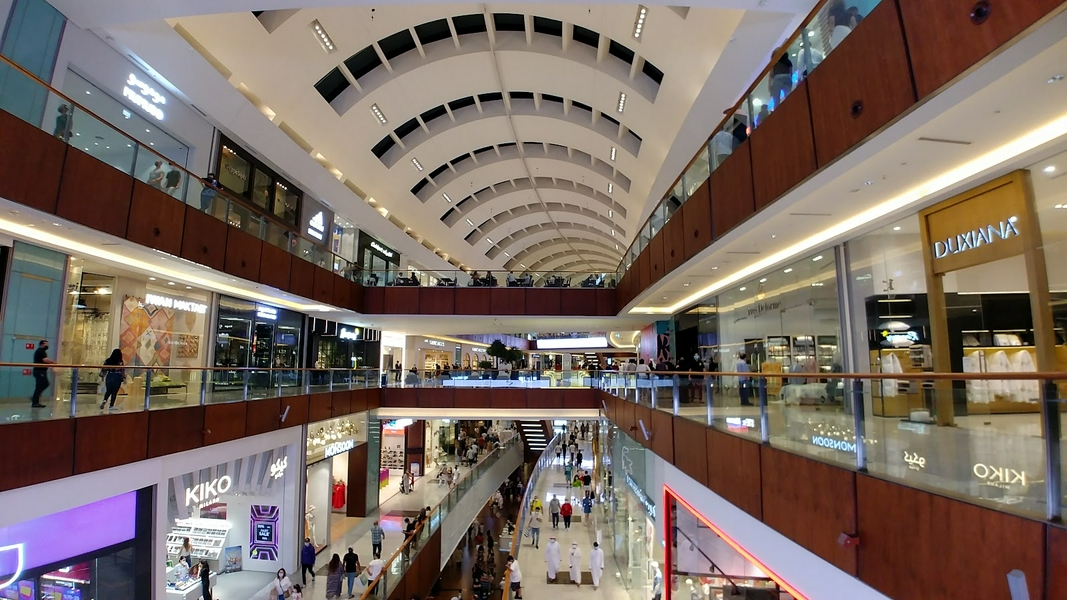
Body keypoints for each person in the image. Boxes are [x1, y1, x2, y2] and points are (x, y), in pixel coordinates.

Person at [30, 339, 54, 407]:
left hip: (41, 371)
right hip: (39, 371)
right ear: (42, 344)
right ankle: (35, 399)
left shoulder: (42, 351)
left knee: (41, 385)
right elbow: (45, 360)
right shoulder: (40, 351)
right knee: (43, 385)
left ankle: (35, 399)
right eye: (46, 344)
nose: (47, 346)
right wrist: (54, 362)